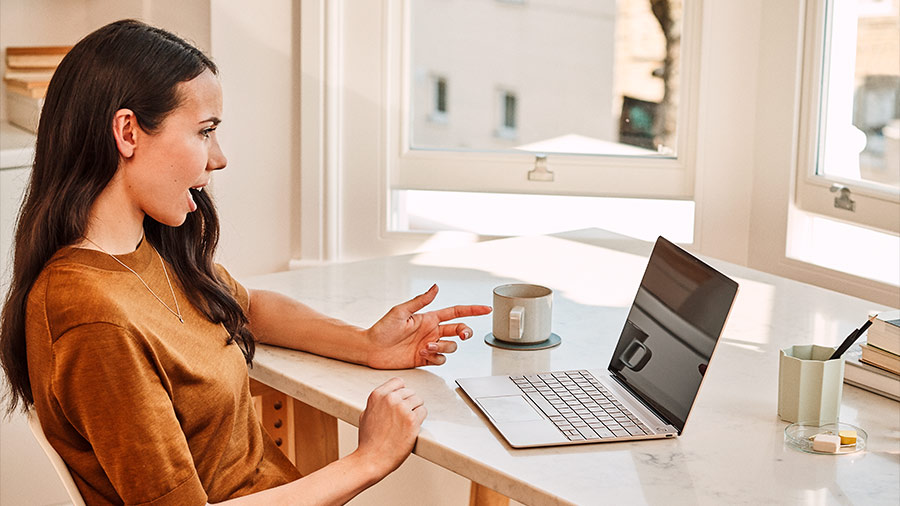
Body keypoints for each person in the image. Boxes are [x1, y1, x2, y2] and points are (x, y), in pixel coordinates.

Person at [0, 19, 491, 505]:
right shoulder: (91, 317)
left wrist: (365, 344)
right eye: (204, 132)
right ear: (128, 132)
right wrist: (369, 460)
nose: (218, 158)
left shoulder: (148, 251)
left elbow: (247, 307)